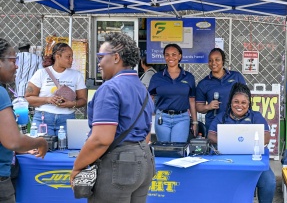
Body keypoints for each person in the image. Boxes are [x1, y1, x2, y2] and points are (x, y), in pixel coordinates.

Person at [70, 32, 155, 203]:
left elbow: (101, 139)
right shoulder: (141, 88)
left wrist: (77, 167)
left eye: (101, 57)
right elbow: (146, 133)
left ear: (116, 57)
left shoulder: (110, 88)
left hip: (119, 165)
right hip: (144, 160)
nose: (99, 63)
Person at [208, 83, 276, 203]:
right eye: (236, 102)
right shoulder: (221, 117)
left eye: (243, 102)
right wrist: (228, 141)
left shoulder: (256, 117)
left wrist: (250, 142)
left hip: (253, 159)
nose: (239, 105)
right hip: (227, 160)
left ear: (248, 104)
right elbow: (211, 135)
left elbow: (266, 137)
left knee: (269, 181)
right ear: (230, 102)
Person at [0, 38, 48, 203]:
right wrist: (39, 142)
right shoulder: (1, 93)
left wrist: (20, 148)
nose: (17, 66)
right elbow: (13, 141)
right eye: (13, 61)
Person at [25, 43, 87, 136]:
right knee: (43, 148)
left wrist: (72, 104)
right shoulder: (41, 73)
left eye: (72, 57)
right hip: (43, 119)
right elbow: (28, 98)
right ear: (58, 56)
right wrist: (48, 99)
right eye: (68, 57)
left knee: (66, 149)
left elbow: (83, 100)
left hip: (67, 119)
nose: (71, 60)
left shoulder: (76, 75)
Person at [148, 43, 197, 142]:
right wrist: (146, 121)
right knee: (164, 150)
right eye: (167, 54)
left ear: (180, 56)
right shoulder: (157, 77)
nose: (170, 57)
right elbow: (150, 99)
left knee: (177, 149)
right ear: (164, 57)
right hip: (162, 118)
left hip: (182, 118)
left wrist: (195, 122)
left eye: (174, 54)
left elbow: (192, 100)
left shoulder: (188, 77)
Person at [196, 48, 246, 131]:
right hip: (214, 123)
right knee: (215, 144)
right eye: (210, 60)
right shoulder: (203, 83)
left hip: (235, 121)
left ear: (223, 61)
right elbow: (199, 107)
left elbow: (246, 98)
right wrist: (208, 106)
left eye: (217, 60)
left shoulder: (236, 76)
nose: (213, 63)